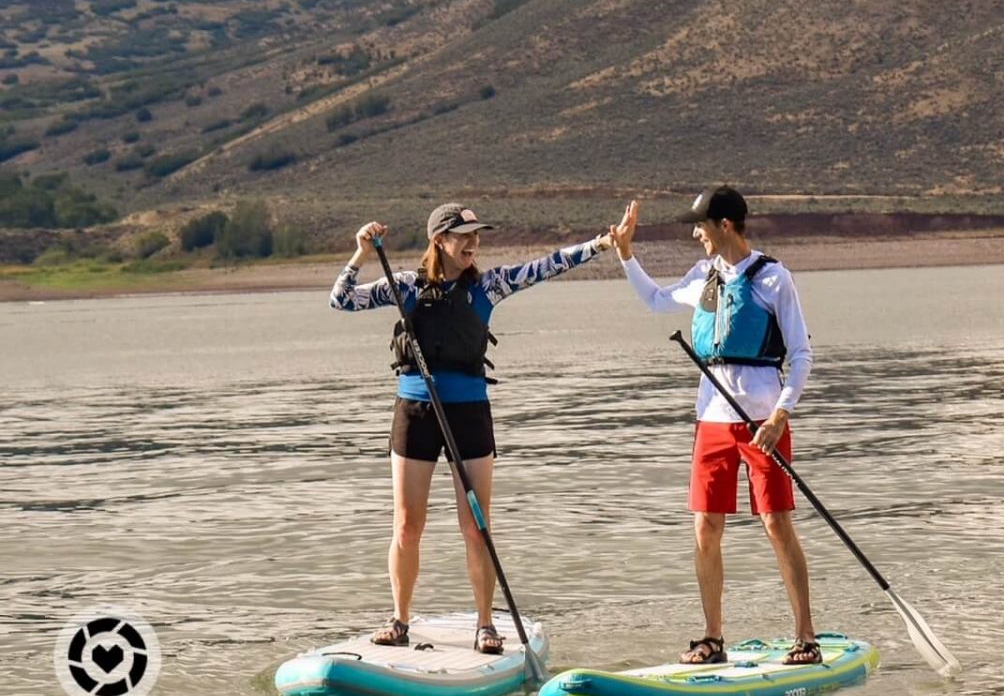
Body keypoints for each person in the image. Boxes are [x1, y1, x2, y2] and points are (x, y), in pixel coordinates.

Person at [331, 202, 624, 653]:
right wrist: (361, 253)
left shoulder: (489, 285)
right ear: (439, 241)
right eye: (463, 236)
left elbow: (546, 266)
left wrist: (602, 243)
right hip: (416, 412)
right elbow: (341, 299)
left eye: (476, 236)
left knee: (476, 527)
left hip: (469, 414)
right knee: (408, 525)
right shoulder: (406, 286)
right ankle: (399, 619)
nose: (473, 244)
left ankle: (485, 624)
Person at [609, 186, 821, 666]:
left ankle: (806, 636)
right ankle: (712, 637)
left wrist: (781, 413)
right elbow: (658, 301)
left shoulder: (773, 279)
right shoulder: (703, 274)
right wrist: (627, 256)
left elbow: (802, 355)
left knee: (776, 523)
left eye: (701, 225)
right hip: (712, 421)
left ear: (725, 225)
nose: (695, 232)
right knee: (705, 527)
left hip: (764, 420)